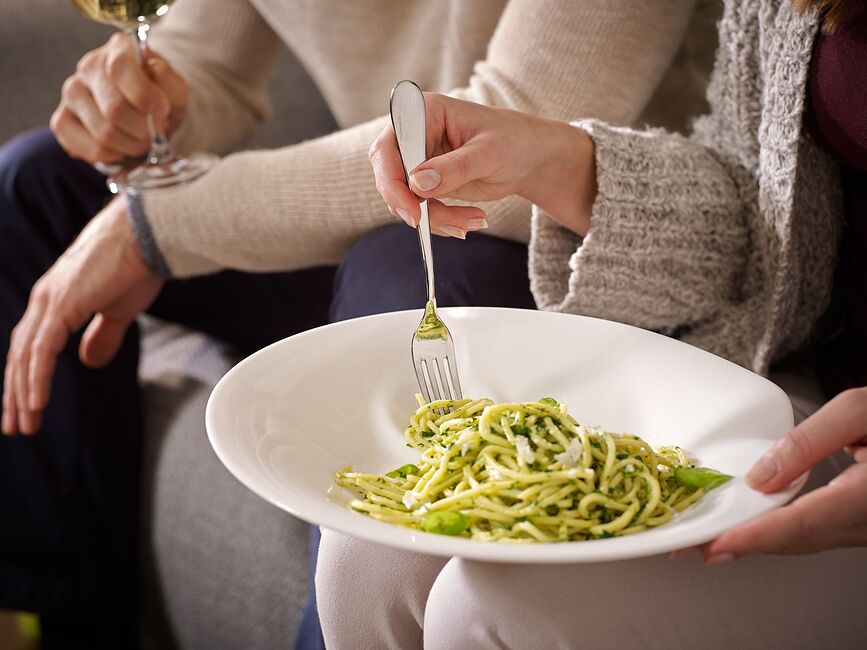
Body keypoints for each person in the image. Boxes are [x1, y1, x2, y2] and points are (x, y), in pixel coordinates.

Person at [0, 0, 720, 647]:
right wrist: (149, 106)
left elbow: (518, 134)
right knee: (35, 182)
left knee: (401, 265)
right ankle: (75, 622)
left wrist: (160, 226)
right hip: (377, 216)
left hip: (577, 249)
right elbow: (210, 65)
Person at [313, 0, 867, 647]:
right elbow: (774, 232)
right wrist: (554, 161)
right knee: (368, 559)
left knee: (490, 608)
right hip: (815, 388)